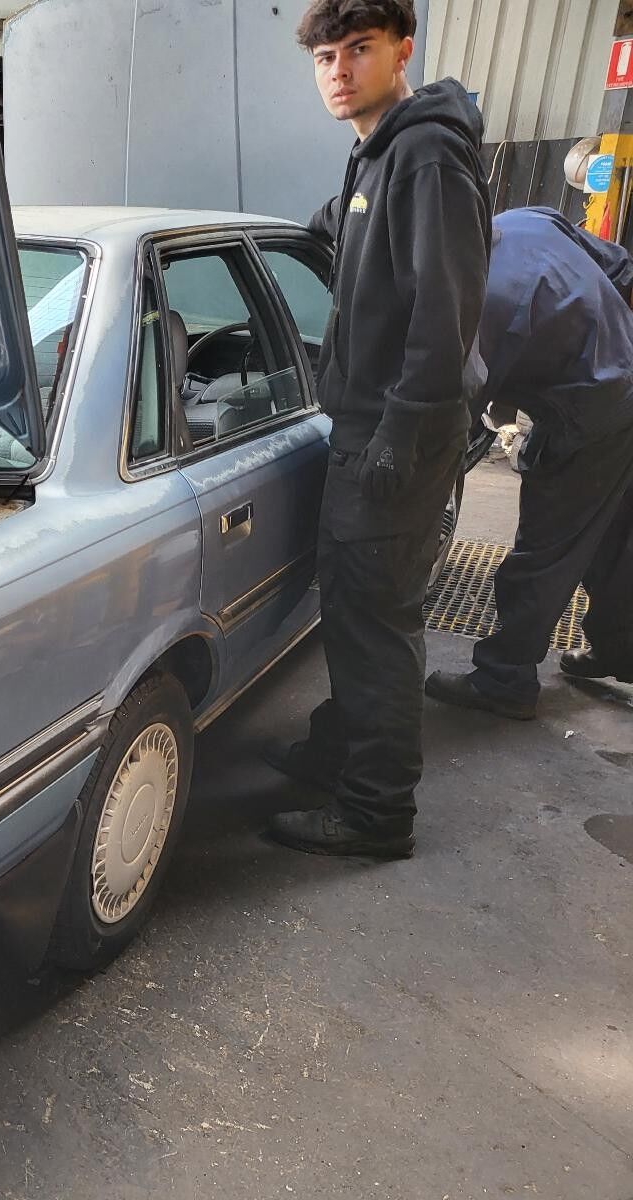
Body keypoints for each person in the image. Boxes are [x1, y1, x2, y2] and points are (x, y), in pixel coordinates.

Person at [263, 0, 490, 859]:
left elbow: (446, 304)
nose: (339, 70)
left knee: (376, 619)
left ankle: (376, 814)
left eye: (358, 49)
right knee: (356, 607)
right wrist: (317, 229)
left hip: (399, 431)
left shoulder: (425, 151)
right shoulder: (378, 151)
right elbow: (358, 222)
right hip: (374, 422)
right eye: (325, 57)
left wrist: (404, 426)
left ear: (403, 51)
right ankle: (341, 751)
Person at [424, 207, 633, 719]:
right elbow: (622, 269)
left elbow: (449, 421)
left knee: (544, 549)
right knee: (613, 537)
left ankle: (505, 679)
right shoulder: (528, 220)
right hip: (622, 387)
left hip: (589, 413)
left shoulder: (477, 305)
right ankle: (619, 650)